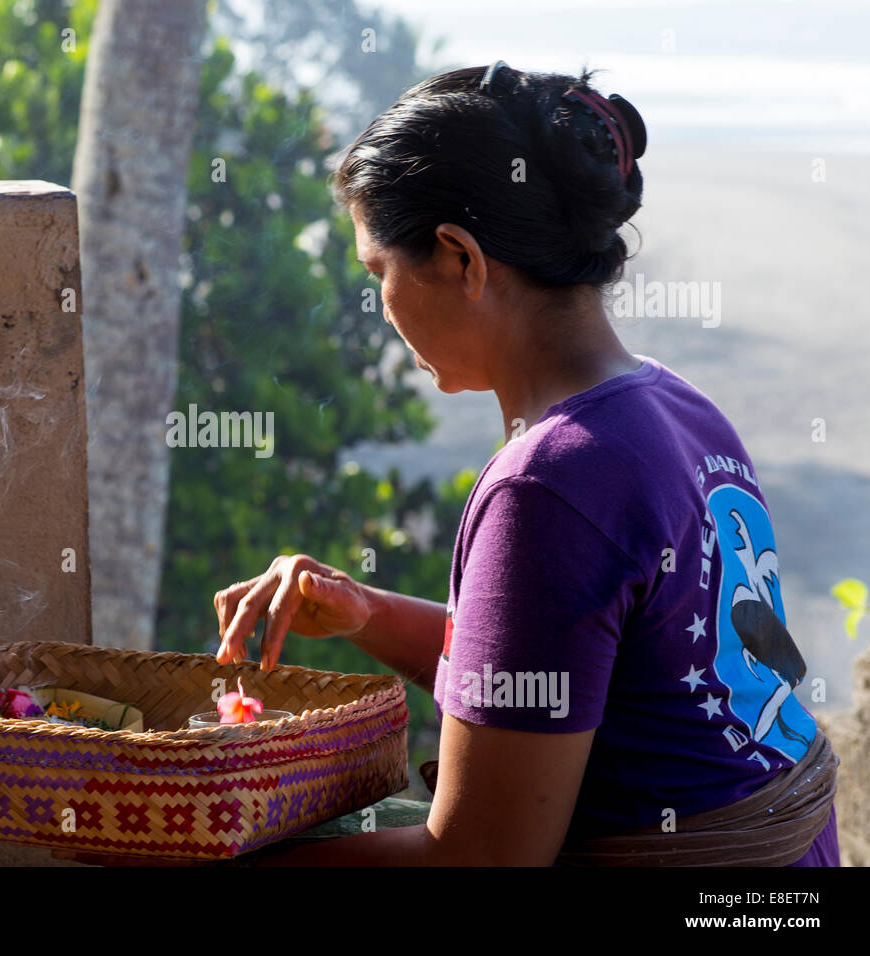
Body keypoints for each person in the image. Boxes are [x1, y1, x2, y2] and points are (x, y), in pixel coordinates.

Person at [213, 63, 839, 866]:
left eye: (379, 273)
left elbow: (477, 859)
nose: (382, 308)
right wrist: (368, 614)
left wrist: (222, 854)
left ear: (459, 259)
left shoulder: (545, 486)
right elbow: (556, 683)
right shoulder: (677, 408)